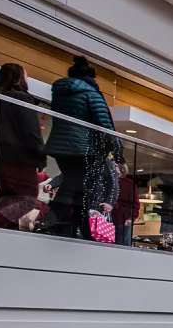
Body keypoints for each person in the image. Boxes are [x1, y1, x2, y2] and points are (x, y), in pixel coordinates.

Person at [43, 56, 122, 240]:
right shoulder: (92, 94)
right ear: (92, 78)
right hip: (84, 150)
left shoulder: (59, 94)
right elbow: (105, 126)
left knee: (78, 188)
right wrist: (118, 155)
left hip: (60, 148)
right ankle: (46, 222)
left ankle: (82, 232)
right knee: (76, 187)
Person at [0, 64, 47, 231]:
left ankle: (2, 237)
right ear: (19, 78)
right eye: (25, 76)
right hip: (20, 160)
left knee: (8, 202)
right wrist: (40, 156)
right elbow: (31, 131)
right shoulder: (21, 98)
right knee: (26, 202)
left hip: (0, 162)